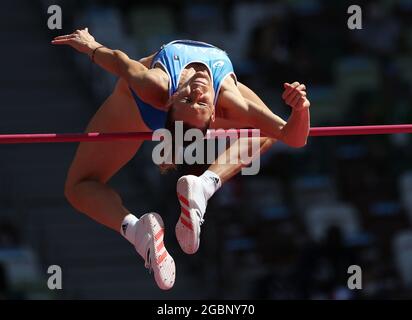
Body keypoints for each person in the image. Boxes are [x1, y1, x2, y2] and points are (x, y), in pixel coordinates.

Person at [52, 28, 310, 290]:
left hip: (142, 107)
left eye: (193, 100)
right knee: (79, 187)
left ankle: (141, 227)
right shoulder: (225, 100)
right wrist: (301, 110)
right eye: (195, 100)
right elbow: (295, 136)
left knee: (79, 186)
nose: (197, 91)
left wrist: (91, 45)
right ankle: (202, 186)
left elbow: (119, 60)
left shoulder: (156, 87)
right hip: (141, 109)